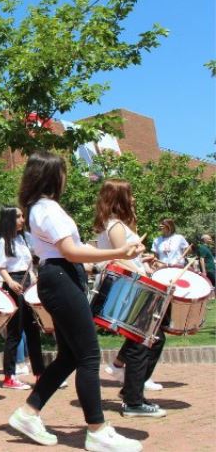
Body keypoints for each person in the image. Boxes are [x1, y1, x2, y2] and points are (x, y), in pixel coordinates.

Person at [7, 151, 145, 451]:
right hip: (61, 279)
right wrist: (118, 254)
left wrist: (103, 259)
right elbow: (71, 252)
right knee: (88, 356)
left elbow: (74, 251)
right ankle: (97, 430)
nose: (66, 177)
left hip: (59, 278)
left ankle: (28, 413)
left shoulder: (40, 209)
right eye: (63, 172)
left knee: (70, 356)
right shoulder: (48, 209)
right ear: (53, 176)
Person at [93, 179, 167, 418]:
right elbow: (119, 259)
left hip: (135, 285)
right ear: (120, 198)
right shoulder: (114, 226)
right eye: (130, 195)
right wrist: (141, 274)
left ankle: (132, 393)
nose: (134, 198)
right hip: (131, 287)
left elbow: (129, 256)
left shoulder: (118, 224)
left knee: (152, 338)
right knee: (143, 340)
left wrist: (143, 262)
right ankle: (133, 400)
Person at [0, 207, 46, 390]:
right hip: (14, 284)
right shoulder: (3, 241)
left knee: (33, 330)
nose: (22, 219)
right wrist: (9, 282)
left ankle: (40, 374)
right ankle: (9, 377)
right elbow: (0, 265)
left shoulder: (23, 239)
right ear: (9, 220)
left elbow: (29, 262)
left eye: (23, 216)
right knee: (15, 332)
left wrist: (34, 277)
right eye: (19, 217)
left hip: (27, 283)